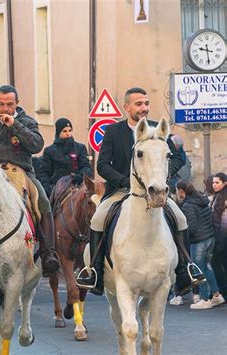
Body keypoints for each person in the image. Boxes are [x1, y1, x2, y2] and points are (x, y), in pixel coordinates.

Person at [76, 87, 205, 295]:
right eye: (138, 104)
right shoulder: (113, 131)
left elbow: (178, 158)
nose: (143, 108)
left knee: (180, 219)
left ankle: (184, 270)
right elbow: (102, 165)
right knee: (98, 219)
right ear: (127, 107)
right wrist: (124, 181)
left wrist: (162, 175)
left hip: (155, 192)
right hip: (121, 191)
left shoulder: (158, 129)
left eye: (146, 103)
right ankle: (95, 273)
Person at [0, 84, 60, 276]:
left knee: (42, 200)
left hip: (21, 173)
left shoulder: (28, 122)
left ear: (16, 104)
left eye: (9, 104)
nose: (5, 109)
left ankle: (48, 253)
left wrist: (14, 125)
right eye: (1, 104)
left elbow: (37, 145)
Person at [175, 180, 224, 309]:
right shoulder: (201, 199)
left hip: (199, 240)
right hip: (209, 237)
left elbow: (192, 227)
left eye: (177, 190)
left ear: (181, 191)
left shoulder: (188, 206)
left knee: (198, 270)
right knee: (207, 267)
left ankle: (204, 299)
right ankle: (216, 295)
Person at [39, 118, 93, 197]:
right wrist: (46, 188)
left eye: (70, 130)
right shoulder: (49, 151)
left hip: (77, 186)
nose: (68, 133)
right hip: (56, 188)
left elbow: (86, 167)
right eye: (64, 131)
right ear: (58, 133)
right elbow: (44, 173)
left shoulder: (80, 148)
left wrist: (78, 177)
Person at [211, 172, 227, 298]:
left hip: (223, 237)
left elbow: (224, 221)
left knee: (219, 263)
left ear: (224, 183)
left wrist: (221, 238)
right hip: (218, 236)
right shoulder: (217, 196)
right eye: (213, 182)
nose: (214, 185)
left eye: (217, 182)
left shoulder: (224, 198)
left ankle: (224, 291)